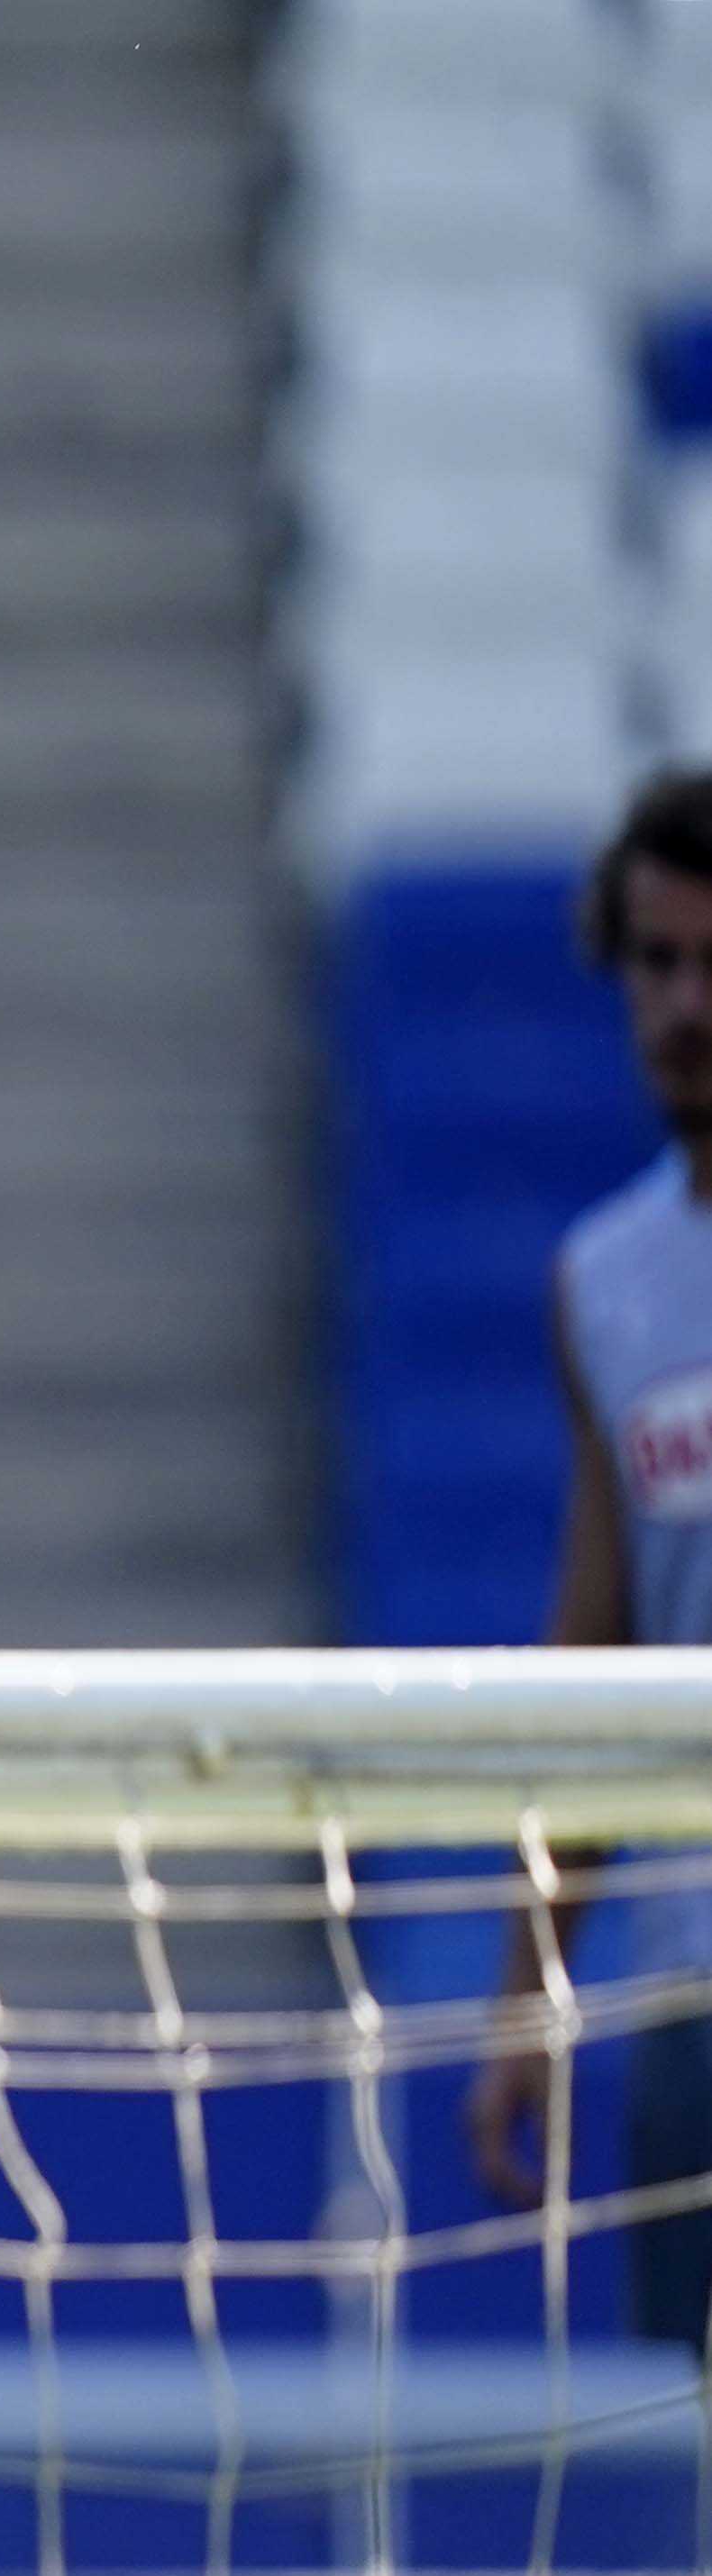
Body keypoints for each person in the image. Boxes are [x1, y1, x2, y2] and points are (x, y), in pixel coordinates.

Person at [469, 766, 712, 2347]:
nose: (687, 1006)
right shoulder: (604, 1283)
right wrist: (526, 1994)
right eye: (656, 963)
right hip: (693, 1987)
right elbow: (595, 1653)